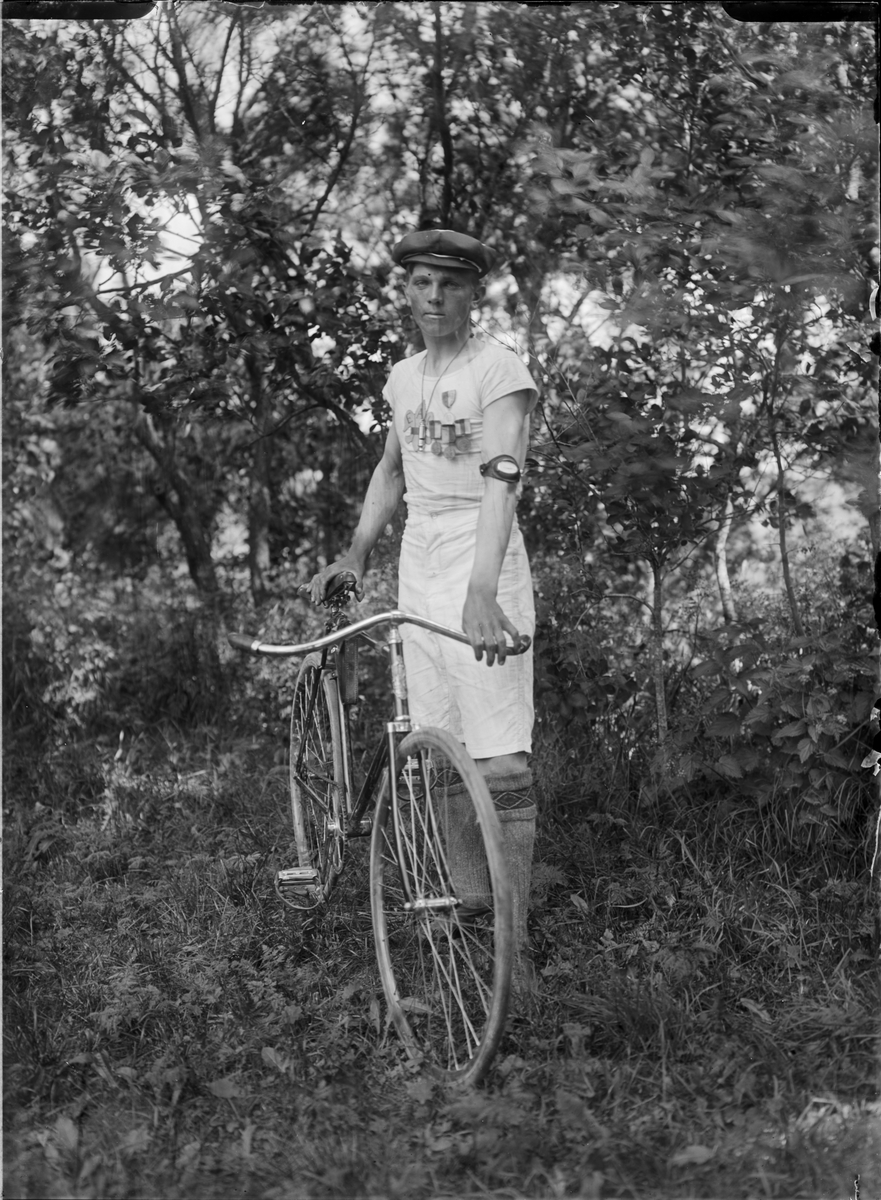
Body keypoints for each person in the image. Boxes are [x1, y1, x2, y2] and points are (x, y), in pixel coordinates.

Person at [308, 228, 539, 995]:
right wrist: (355, 551)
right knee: (437, 738)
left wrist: (481, 588)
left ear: (474, 293)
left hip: (486, 552)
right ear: (404, 292)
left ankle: (514, 941)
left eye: (449, 283)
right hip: (420, 555)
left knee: (499, 752)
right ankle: (473, 905)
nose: (433, 296)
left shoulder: (497, 369)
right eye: (419, 283)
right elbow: (390, 470)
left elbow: (502, 477)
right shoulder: (405, 377)